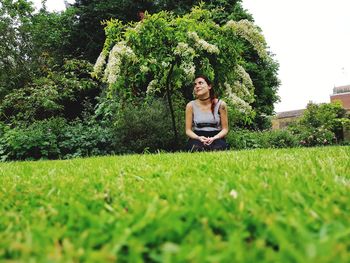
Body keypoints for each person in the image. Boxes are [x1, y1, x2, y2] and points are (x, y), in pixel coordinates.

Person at [185, 75, 229, 151]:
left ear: (209, 86)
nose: (197, 86)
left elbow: (225, 129)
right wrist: (199, 138)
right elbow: (188, 130)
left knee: (218, 148)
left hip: (216, 137)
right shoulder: (190, 105)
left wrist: (214, 138)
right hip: (197, 137)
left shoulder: (221, 105)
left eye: (200, 83)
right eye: (195, 84)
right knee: (196, 148)